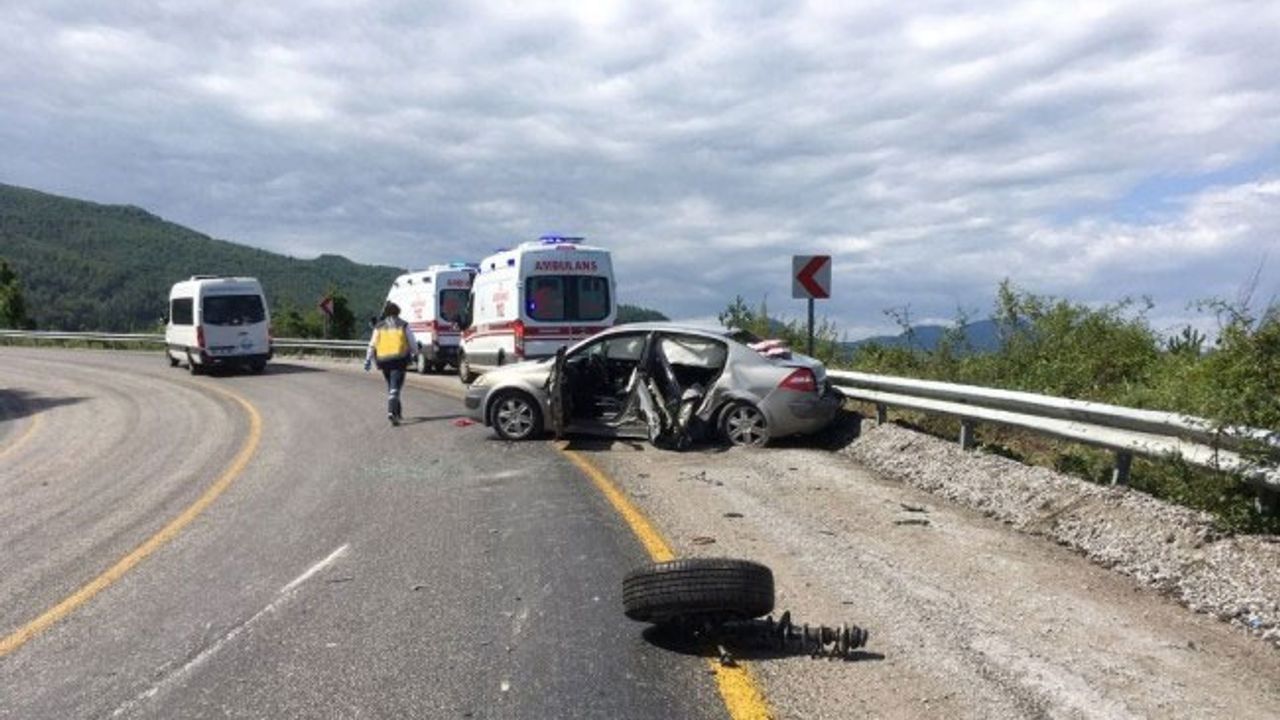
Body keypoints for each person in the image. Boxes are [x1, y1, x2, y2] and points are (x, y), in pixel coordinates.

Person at [364, 302, 418, 425]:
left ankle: (398, 412)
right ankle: (392, 412)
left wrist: (368, 359)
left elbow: (372, 344)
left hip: (383, 361)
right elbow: (412, 343)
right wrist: (416, 353)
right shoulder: (403, 325)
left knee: (392, 386)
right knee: (395, 387)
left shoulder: (379, 326)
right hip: (399, 359)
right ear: (398, 312)